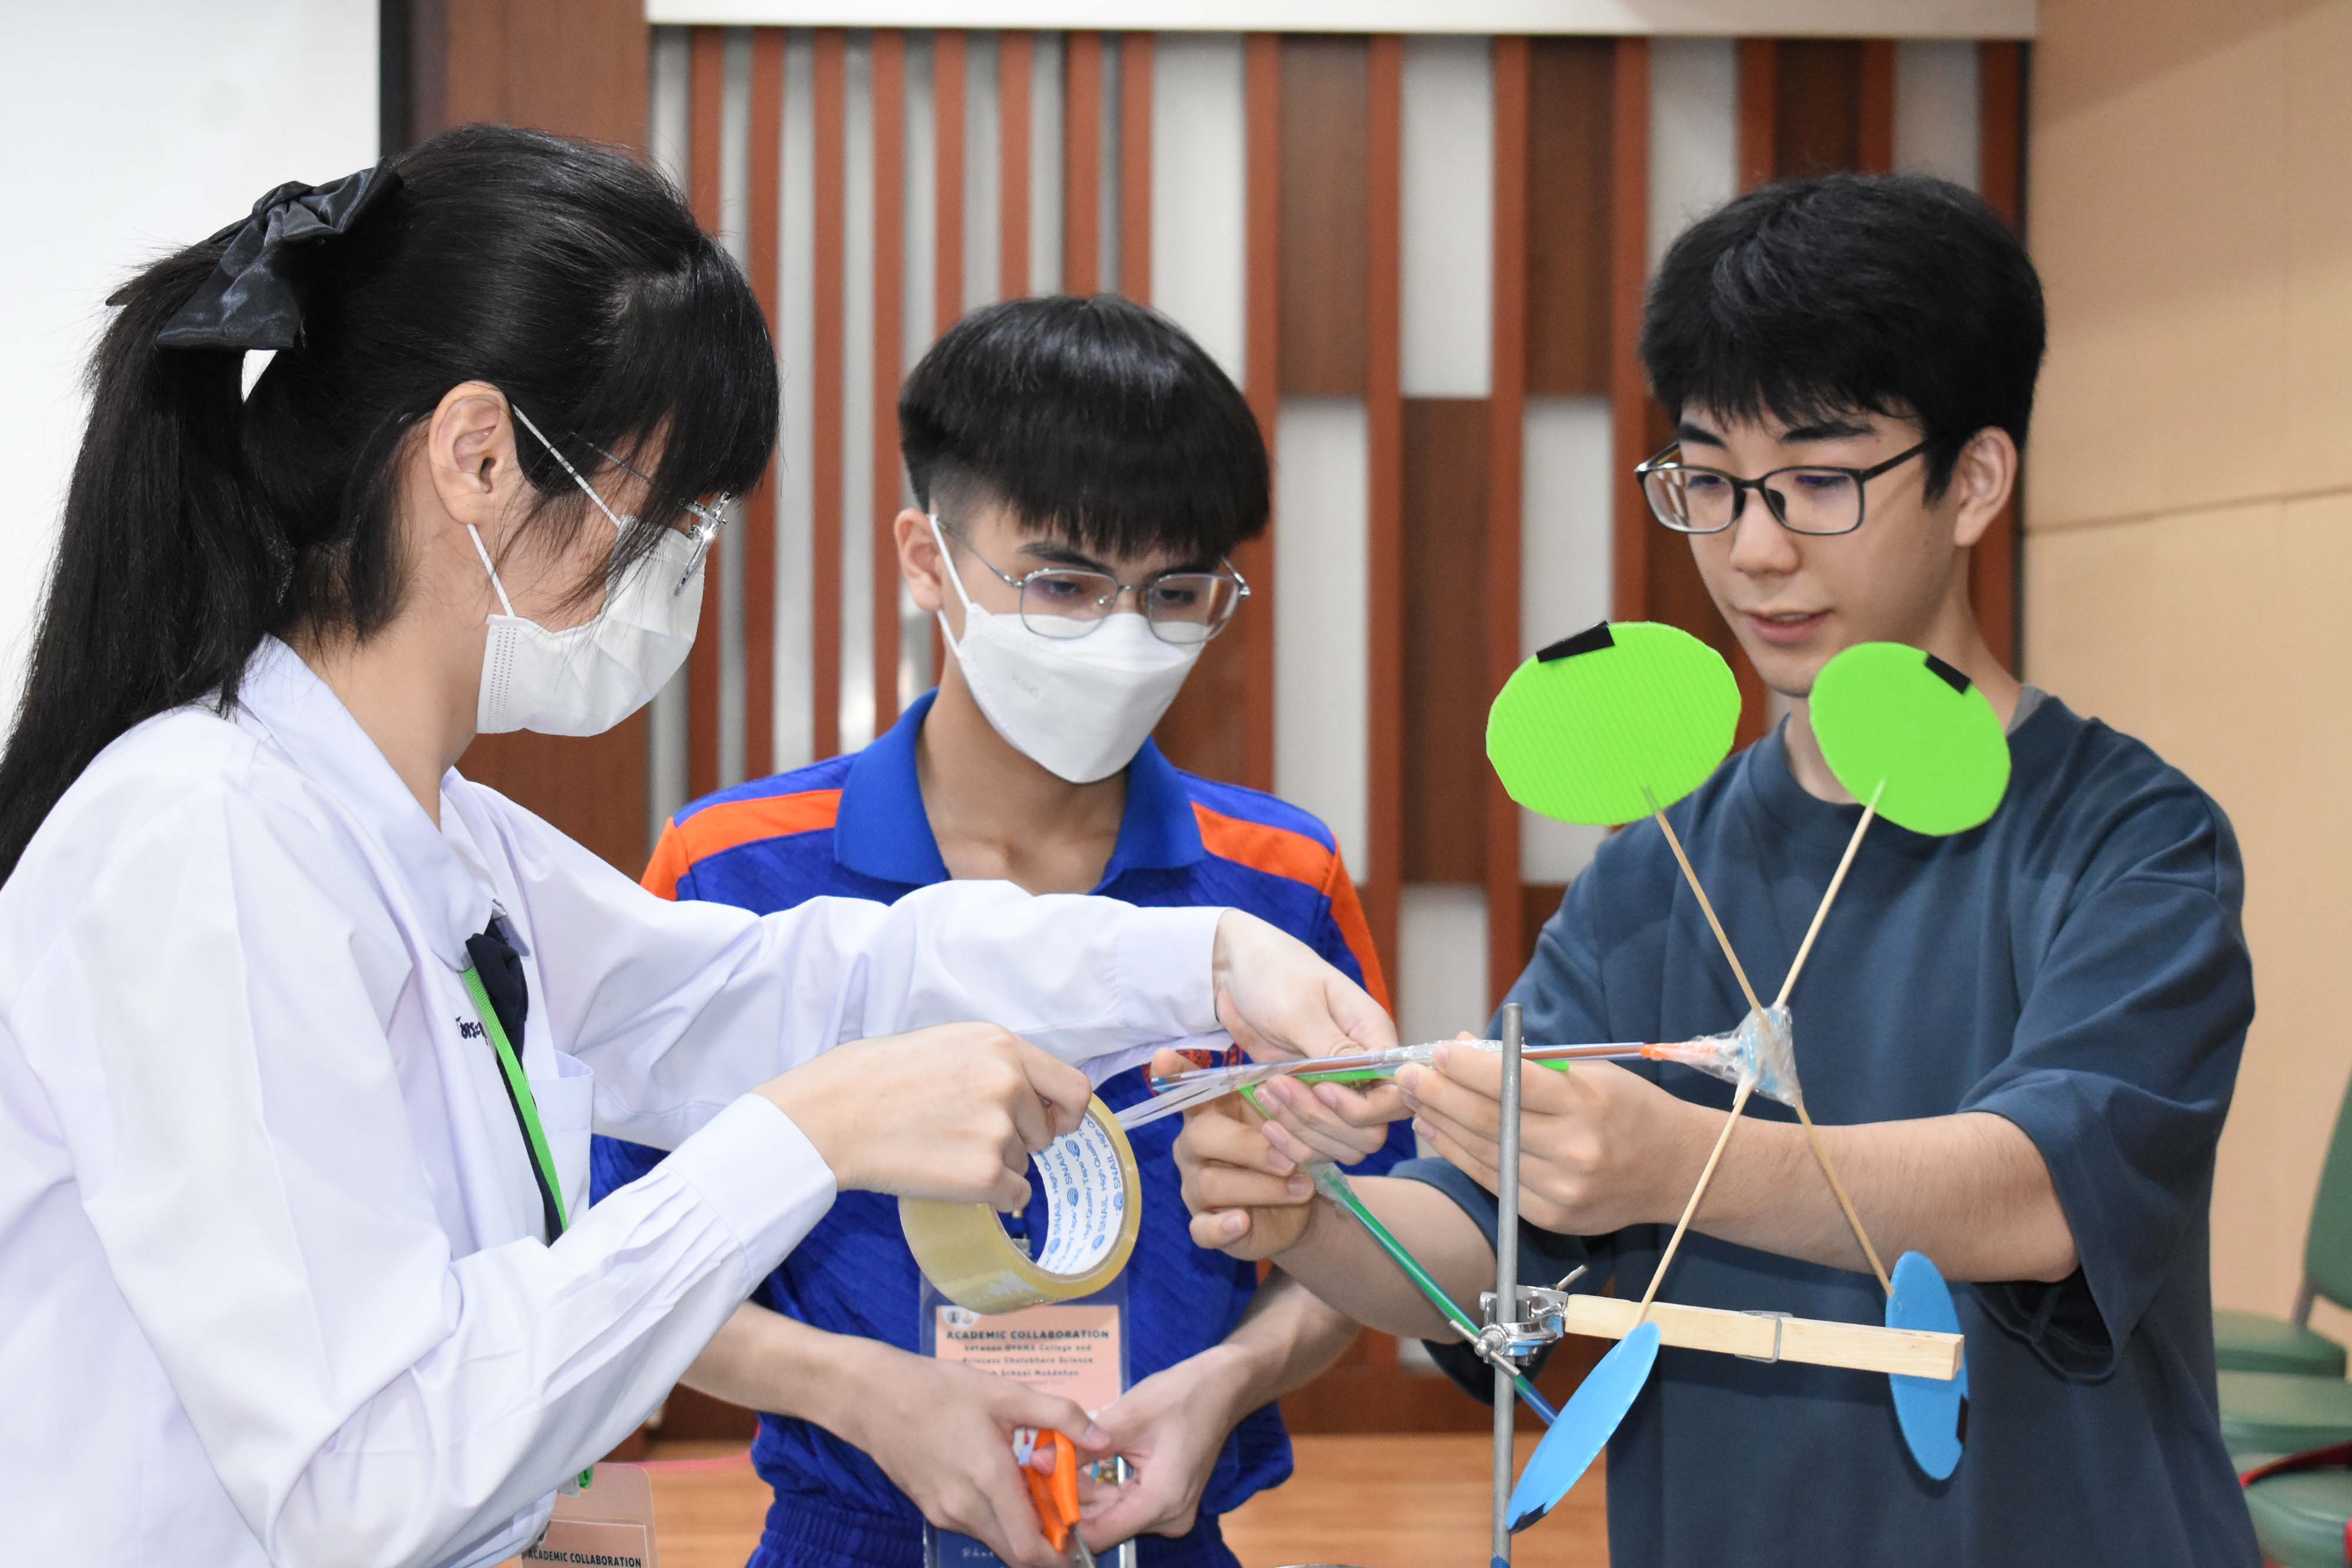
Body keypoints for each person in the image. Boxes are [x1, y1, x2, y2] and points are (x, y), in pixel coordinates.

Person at [0, 129, 1392, 1568]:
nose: (678, 567)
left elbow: (779, 986)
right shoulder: (204, 839)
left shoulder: (443, 836)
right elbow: (364, 1471)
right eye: (664, 513)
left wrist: (1199, 956)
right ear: (477, 456)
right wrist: (805, 1135)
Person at [1174, 172, 2261, 1565]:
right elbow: (1478, 1241)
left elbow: (2039, 1193)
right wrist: (1306, 1213)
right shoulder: (1653, 871)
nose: (1752, 549)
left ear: (1973, 478)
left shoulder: (2132, 836)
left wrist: (1674, 1160)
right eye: (1708, 480)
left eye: (1818, 481)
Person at [594, 295, 1414, 1568]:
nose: (1124, 639)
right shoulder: (734, 869)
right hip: (848, 1534)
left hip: (1166, 1523)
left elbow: (1378, 1232)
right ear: (926, 559)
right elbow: (616, 1246)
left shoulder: (1276, 882)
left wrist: (1231, 1382)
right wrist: (863, 1393)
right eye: (1064, 584)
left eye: (1176, 591)